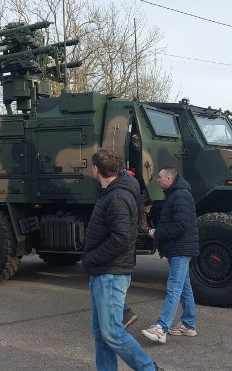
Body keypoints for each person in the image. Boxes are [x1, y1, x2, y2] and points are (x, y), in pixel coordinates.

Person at [81, 148, 162, 371]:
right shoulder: (116, 190)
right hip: (104, 271)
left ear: (95, 170)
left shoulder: (117, 196)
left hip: (110, 273)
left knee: (113, 333)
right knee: (101, 333)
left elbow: (120, 238)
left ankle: (149, 368)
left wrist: (91, 259)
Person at [141, 167, 199, 344]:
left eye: (159, 177)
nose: (157, 180)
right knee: (184, 286)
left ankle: (161, 328)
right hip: (179, 248)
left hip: (180, 248)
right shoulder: (176, 194)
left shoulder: (180, 195)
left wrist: (157, 233)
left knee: (174, 287)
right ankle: (188, 324)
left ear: (168, 178)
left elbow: (180, 225)